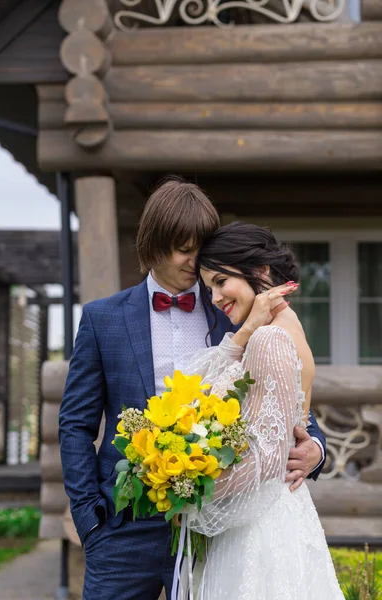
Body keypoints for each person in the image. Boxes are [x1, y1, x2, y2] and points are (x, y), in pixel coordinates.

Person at [59, 179, 326, 600]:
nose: (195, 260)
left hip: (216, 530)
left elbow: (285, 391)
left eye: (200, 248)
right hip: (122, 530)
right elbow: (75, 424)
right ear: (155, 244)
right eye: (185, 248)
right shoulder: (101, 319)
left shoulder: (235, 311)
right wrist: (89, 519)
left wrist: (317, 449)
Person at [177, 221, 343, 600]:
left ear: (260, 272)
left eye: (221, 281)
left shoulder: (269, 338)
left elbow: (268, 458)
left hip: (262, 526)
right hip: (269, 512)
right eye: (208, 288)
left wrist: (190, 492)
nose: (216, 297)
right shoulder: (280, 327)